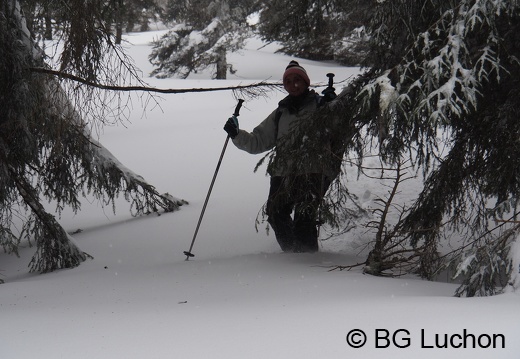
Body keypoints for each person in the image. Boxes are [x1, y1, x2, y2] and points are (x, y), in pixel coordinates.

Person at [224, 60, 338, 253]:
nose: (293, 85)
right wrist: (236, 134)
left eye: (297, 80)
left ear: (306, 82)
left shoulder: (321, 105)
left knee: (304, 217)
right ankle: (290, 257)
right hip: (283, 173)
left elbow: (338, 131)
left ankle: (307, 261)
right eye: (288, 81)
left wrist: (333, 106)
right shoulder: (280, 113)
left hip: (313, 171)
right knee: (276, 214)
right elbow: (258, 141)